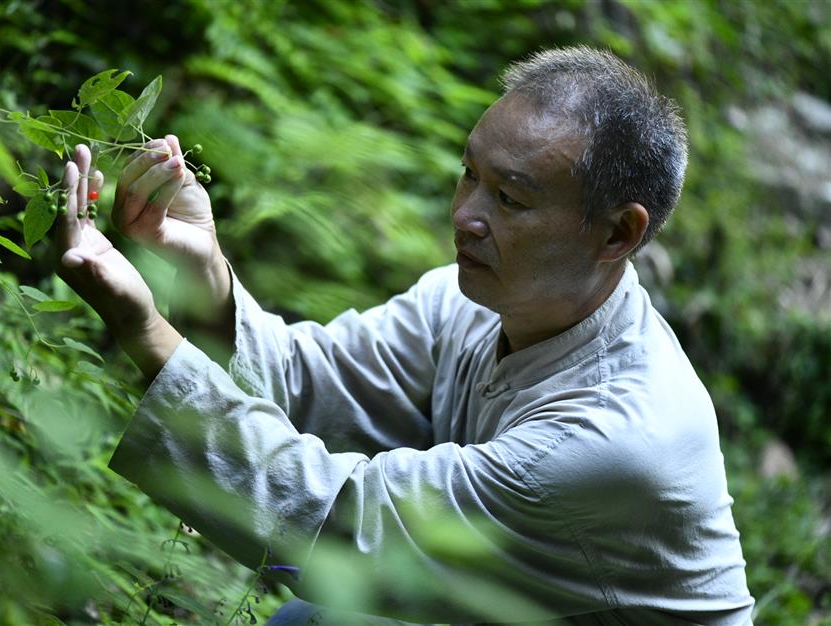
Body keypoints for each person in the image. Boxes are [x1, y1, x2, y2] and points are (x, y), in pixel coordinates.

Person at [55, 46, 755, 625]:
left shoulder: (610, 436)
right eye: (468, 174)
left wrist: (143, 328)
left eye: (508, 198)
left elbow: (346, 525)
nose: (465, 215)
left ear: (618, 233)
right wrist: (202, 266)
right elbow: (306, 383)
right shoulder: (475, 302)